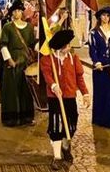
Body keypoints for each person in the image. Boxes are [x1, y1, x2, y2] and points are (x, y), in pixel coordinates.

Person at [39, 29, 91, 170]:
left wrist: (85, 94)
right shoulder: (47, 60)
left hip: (69, 96)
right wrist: (54, 86)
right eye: (66, 45)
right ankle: (57, 156)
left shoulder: (73, 59)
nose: (69, 47)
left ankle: (65, 145)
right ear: (60, 47)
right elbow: (47, 75)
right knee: (56, 125)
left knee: (72, 123)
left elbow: (79, 77)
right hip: (55, 97)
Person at [0, 0, 36, 127]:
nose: (17, 13)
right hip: (13, 61)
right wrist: (9, 60)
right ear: (12, 13)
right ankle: (11, 118)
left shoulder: (29, 27)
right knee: (12, 90)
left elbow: (32, 44)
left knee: (26, 90)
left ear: (22, 12)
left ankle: (26, 117)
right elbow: (3, 45)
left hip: (25, 61)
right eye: (15, 11)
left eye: (19, 11)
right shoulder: (7, 27)